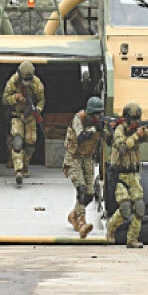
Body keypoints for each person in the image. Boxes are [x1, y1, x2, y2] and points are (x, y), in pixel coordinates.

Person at [105, 101, 148, 248]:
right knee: (125, 208)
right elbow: (122, 147)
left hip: (133, 175)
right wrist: (136, 136)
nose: (136, 122)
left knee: (139, 207)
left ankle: (132, 239)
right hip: (119, 176)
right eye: (133, 119)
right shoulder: (119, 130)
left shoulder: (138, 129)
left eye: (138, 119)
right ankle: (111, 229)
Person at [62, 96, 105, 239]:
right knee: (81, 189)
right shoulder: (78, 119)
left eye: (99, 115)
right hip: (74, 157)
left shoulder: (99, 123)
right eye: (95, 115)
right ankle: (81, 222)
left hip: (87, 158)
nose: (97, 118)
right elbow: (81, 137)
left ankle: (74, 215)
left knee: (90, 194)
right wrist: (94, 129)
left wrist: (107, 129)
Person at [2, 61, 45, 185]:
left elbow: (41, 100)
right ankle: (18, 170)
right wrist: (15, 98)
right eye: (24, 79)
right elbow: (4, 99)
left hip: (30, 116)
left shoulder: (37, 84)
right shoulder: (13, 82)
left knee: (30, 143)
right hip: (17, 115)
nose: (26, 82)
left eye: (28, 79)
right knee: (17, 141)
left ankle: (25, 166)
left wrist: (38, 109)